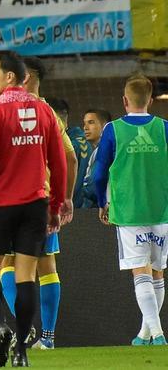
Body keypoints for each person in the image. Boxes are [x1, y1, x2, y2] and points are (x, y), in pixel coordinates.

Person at [0, 50, 67, 368]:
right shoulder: (44, 110)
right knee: (25, 278)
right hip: (35, 205)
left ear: (10, 77)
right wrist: (57, 204)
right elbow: (57, 161)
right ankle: (21, 349)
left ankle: (0, 324)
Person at [91, 75, 168, 346]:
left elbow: (99, 173)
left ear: (124, 100)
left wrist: (103, 201)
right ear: (150, 100)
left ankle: (158, 334)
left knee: (140, 270)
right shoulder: (164, 128)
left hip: (129, 209)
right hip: (162, 210)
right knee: (157, 271)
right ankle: (145, 333)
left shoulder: (113, 130)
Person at [78, 108, 114, 210]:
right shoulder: (100, 149)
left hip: (108, 209)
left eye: (91, 122)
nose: (85, 127)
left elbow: (93, 188)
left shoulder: (104, 150)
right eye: (84, 123)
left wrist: (75, 193)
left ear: (105, 126)